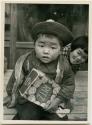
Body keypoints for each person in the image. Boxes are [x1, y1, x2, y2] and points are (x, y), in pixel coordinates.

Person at [5, 20, 75, 120]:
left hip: (53, 99)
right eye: (41, 46)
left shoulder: (63, 64)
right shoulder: (26, 60)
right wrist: (11, 94)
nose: (46, 51)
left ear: (60, 50)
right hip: (29, 100)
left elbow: (69, 84)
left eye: (53, 47)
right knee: (27, 117)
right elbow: (15, 78)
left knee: (60, 119)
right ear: (34, 45)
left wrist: (58, 99)